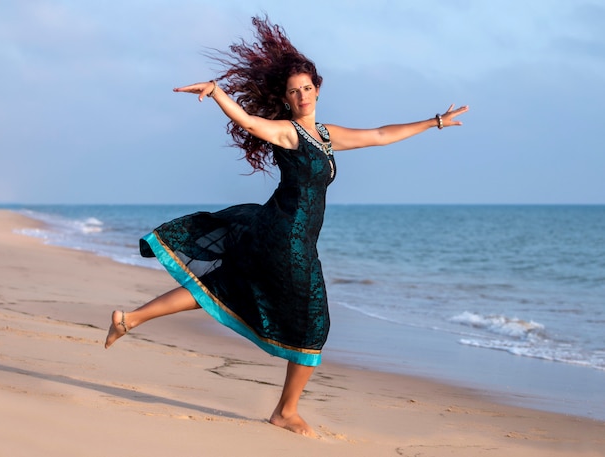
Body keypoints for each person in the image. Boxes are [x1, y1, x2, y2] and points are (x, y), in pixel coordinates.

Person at [104, 16, 468, 437]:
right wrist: (218, 93)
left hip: (279, 231)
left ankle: (129, 319)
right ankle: (285, 412)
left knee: (224, 285)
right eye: (294, 91)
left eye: (307, 88)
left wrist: (434, 122)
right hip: (287, 239)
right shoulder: (289, 133)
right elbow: (250, 123)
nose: (302, 96)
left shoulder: (327, 136)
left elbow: (382, 134)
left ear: (317, 89)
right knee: (314, 321)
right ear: (287, 98)